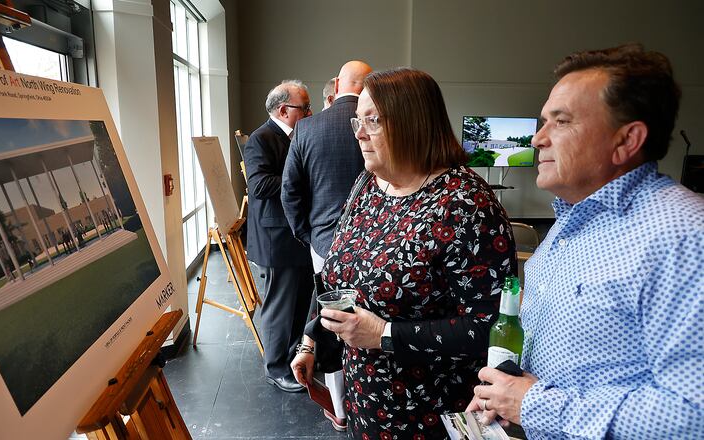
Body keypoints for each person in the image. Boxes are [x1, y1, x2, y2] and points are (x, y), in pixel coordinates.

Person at [467, 44, 704, 439]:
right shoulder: (568, 221)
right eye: (544, 121)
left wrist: (535, 405)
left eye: (561, 122)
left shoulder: (684, 237)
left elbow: (693, 413)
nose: (538, 138)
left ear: (626, 141)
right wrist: (508, 396)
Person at [291, 67, 516, 439]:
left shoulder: (467, 205)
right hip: (367, 403)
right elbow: (344, 279)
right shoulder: (369, 184)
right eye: (357, 121)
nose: (360, 134)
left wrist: (384, 334)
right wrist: (312, 339)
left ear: (412, 123)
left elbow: (487, 328)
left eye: (373, 121)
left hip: (431, 414)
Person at [282, 60, 372, 431]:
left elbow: (290, 193)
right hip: (376, 247)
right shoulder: (379, 125)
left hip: (324, 245)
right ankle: (367, 397)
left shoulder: (306, 127)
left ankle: (338, 407)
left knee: (332, 325)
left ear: (336, 84)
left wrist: (309, 235)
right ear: (368, 87)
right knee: (369, 322)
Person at [243, 80, 314, 393]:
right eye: (305, 107)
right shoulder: (260, 139)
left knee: (299, 304)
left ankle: (292, 359)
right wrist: (299, 178)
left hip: (296, 235)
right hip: (276, 239)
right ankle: (275, 369)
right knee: (278, 308)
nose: (310, 112)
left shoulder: (296, 135)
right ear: (284, 110)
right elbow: (259, 186)